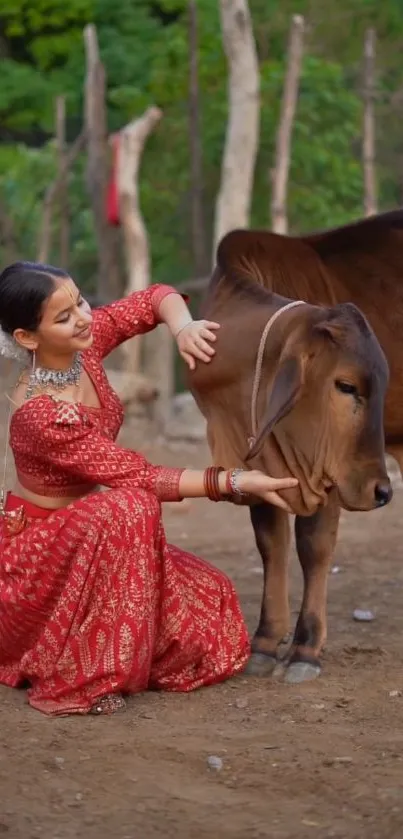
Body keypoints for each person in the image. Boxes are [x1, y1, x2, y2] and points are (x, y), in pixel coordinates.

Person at [0, 261, 298, 717]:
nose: (83, 316)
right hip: (40, 560)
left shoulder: (84, 343)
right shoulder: (41, 415)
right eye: (63, 317)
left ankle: (113, 647)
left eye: (79, 300)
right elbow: (139, 477)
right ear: (27, 338)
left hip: (93, 538)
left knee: (214, 607)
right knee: (131, 506)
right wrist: (234, 480)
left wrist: (183, 328)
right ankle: (90, 678)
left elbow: (152, 298)